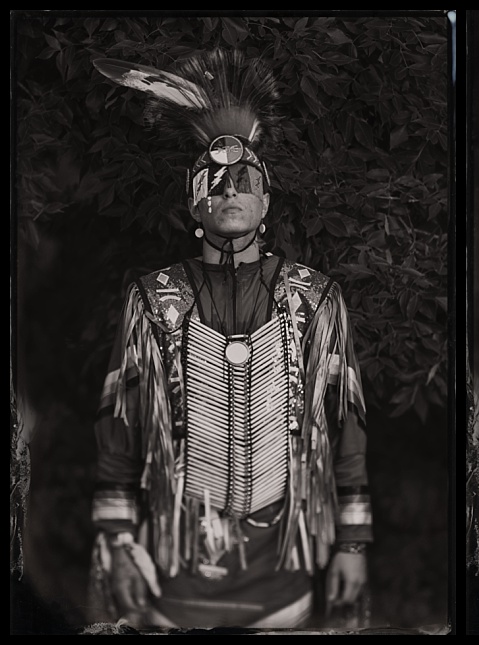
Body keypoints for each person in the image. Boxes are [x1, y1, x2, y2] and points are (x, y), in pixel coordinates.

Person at [87, 50, 372, 629]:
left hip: (282, 576)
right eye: (214, 182)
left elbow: (347, 427)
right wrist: (116, 542)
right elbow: (120, 423)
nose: (230, 190)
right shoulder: (152, 298)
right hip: (175, 574)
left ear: (266, 201)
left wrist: (352, 543)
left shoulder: (316, 298)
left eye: (246, 181)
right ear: (195, 201)